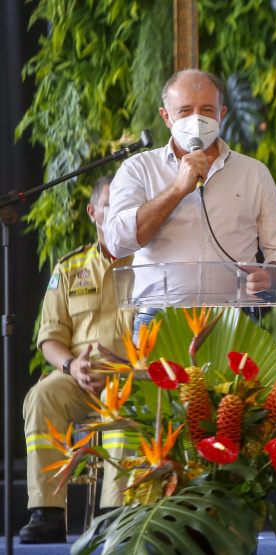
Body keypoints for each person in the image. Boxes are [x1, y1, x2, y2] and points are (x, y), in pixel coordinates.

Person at [103, 69, 276, 327]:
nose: (196, 119)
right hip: (159, 323)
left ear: (221, 114)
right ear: (166, 117)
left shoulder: (253, 173)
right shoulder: (138, 169)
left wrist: (271, 275)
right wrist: (177, 190)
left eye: (207, 110)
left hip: (234, 321)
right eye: (185, 111)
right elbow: (117, 242)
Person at [20, 176, 135, 543]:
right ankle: (48, 512)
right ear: (93, 213)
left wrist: (125, 368)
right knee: (41, 396)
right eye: (109, 206)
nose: (118, 214)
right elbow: (50, 339)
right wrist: (72, 366)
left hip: (132, 378)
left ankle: (116, 514)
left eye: (126, 207)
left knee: (123, 399)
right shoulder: (69, 269)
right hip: (77, 378)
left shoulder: (151, 268)